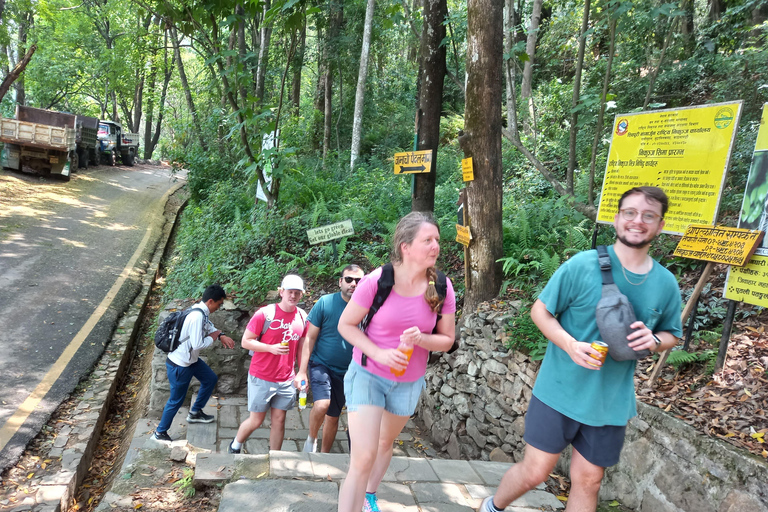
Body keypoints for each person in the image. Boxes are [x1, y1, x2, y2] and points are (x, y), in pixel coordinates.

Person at [479, 186, 683, 512]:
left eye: (649, 216)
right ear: (616, 219)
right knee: (536, 472)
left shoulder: (665, 283)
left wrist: (655, 342)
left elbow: (672, 333)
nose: (637, 221)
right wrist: (570, 345)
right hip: (559, 391)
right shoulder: (582, 265)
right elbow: (540, 312)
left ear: (660, 226)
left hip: (610, 402)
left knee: (589, 480)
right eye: (629, 213)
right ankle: (492, 506)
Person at [337, 212, 456, 512]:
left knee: (383, 445)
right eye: (427, 240)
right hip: (368, 374)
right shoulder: (378, 281)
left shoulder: (441, 286)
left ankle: (369, 495)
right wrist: (378, 353)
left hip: (408, 381)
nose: (435, 246)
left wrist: (422, 340)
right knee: (362, 457)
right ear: (405, 246)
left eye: (437, 240)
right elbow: (346, 325)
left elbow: (447, 339)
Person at [228, 274, 309, 453]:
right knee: (256, 420)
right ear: (281, 292)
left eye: (297, 293)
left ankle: (275, 457)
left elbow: (303, 346)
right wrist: (270, 348)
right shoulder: (265, 314)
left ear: (301, 295)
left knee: (279, 420)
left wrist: (302, 372)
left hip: (286, 378)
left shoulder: (302, 317)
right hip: (262, 376)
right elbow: (246, 341)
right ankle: (235, 445)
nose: (293, 296)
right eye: (290, 291)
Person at [294, 264, 366, 453]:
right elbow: (310, 337)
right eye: (349, 279)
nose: (353, 284)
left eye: (358, 281)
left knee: (333, 416)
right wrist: (302, 371)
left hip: (351, 371)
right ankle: (311, 439)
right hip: (322, 364)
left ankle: (325, 455)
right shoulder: (325, 303)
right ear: (340, 281)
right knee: (322, 405)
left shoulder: (367, 308)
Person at [154, 284, 235, 442]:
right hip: (180, 365)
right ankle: (160, 432)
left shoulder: (199, 310)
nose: (218, 308)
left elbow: (208, 326)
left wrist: (220, 334)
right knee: (176, 400)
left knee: (210, 379)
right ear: (211, 301)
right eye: (218, 304)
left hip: (190, 361)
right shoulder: (197, 315)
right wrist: (214, 337)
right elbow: (198, 344)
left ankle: (195, 412)